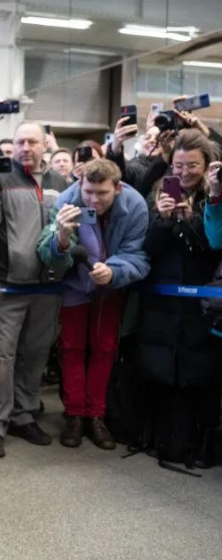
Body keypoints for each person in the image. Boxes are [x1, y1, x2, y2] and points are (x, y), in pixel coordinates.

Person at [0, 121, 68, 459]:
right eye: (21, 141)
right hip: (5, 285)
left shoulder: (59, 182)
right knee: (0, 357)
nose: (26, 147)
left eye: (33, 142)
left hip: (47, 287)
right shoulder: (2, 178)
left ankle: (24, 415)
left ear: (45, 146)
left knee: (36, 354)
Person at [37, 159, 149, 449]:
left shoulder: (134, 205)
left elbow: (137, 254)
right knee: (71, 349)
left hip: (111, 287)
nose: (93, 200)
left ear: (118, 188)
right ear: (80, 185)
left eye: (102, 193)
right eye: (88, 192)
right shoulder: (67, 200)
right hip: (75, 286)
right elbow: (48, 254)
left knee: (105, 349)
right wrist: (61, 237)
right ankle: (74, 415)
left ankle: (96, 415)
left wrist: (113, 271)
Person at [136, 129, 222, 468]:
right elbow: (147, 250)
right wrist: (163, 220)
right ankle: (166, 441)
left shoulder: (214, 197)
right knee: (164, 374)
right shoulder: (158, 193)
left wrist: (192, 219)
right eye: (178, 165)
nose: (184, 173)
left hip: (205, 302)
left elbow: (214, 248)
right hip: (162, 302)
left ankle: (204, 445)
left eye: (192, 166)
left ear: (207, 165)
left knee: (202, 376)